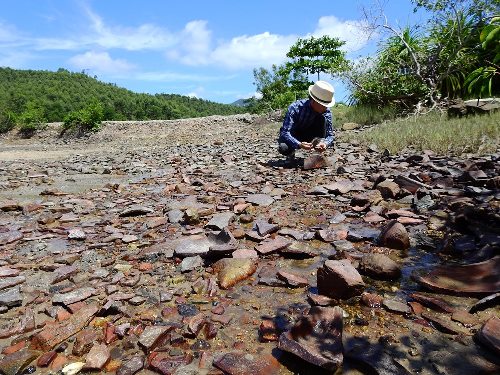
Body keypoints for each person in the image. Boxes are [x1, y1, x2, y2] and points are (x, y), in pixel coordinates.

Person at [277, 80, 335, 164]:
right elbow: (285, 132)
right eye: (323, 105)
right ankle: (291, 153)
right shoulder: (295, 108)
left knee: (322, 119)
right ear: (314, 101)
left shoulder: (326, 112)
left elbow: (330, 135)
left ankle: (317, 154)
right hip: (293, 134)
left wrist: (325, 143)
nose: (326, 108)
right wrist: (299, 144)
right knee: (283, 148)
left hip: (310, 134)